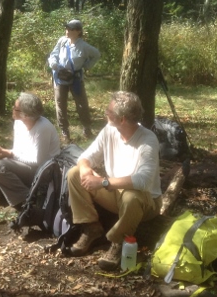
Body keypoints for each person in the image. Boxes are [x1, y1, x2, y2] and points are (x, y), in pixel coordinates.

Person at [66, 91, 162, 271]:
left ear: (122, 119)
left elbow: (143, 181)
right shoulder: (110, 130)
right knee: (74, 173)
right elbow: (86, 156)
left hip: (145, 202)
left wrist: (103, 182)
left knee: (131, 196)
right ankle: (92, 228)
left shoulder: (148, 140)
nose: (105, 113)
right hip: (115, 195)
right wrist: (85, 169)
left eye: (109, 111)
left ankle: (118, 242)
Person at [0, 92, 61, 211]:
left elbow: (39, 161)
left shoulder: (43, 128)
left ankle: (25, 202)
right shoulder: (19, 123)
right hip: (26, 165)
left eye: (15, 108)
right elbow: (18, 150)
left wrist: (10, 154)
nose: (12, 109)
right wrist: (3, 153)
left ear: (26, 114)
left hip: (43, 171)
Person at [47, 19, 100, 143]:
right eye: (67, 28)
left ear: (78, 31)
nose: (67, 31)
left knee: (82, 105)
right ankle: (65, 132)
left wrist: (87, 66)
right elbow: (54, 54)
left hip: (75, 78)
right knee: (60, 104)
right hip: (60, 77)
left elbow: (96, 54)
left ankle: (87, 129)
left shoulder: (84, 47)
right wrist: (53, 63)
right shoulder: (62, 41)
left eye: (70, 29)